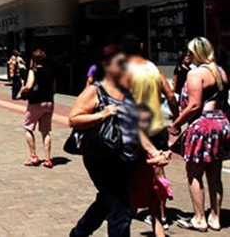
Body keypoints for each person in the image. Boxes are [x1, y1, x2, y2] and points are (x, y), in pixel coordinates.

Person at [68, 45, 168, 237]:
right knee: (120, 209)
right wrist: (102, 115)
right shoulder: (94, 91)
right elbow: (74, 119)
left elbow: (136, 129)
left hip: (125, 157)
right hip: (101, 157)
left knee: (107, 202)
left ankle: (79, 233)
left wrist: (155, 152)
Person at [169, 37, 229, 233]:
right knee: (215, 174)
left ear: (196, 53)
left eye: (189, 52)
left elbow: (194, 105)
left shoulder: (196, 74)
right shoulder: (220, 72)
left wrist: (176, 123)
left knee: (194, 173)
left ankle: (199, 218)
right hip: (221, 123)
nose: (187, 56)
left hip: (202, 125)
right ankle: (216, 218)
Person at [124, 36, 179, 231]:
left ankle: (130, 208)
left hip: (133, 127)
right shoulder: (153, 68)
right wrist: (176, 118)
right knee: (158, 170)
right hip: (157, 124)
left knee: (130, 168)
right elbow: (171, 96)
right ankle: (161, 215)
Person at [130, 104, 173, 237]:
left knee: (124, 214)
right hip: (144, 181)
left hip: (140, 181)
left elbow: (136, 163)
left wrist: (159, 157)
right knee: (156, 215)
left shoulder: (135, 139)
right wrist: (158, 158)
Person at [19, 50, 56, 168]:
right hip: (49, 102)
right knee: (46, 131)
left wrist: (22, 90)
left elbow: (29, 86)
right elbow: (54, 89)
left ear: (33, 60)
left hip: (36, 102)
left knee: (28, 128)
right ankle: (48, 159)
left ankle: (34, 156)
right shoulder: (51, 71)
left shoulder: (33, 70)